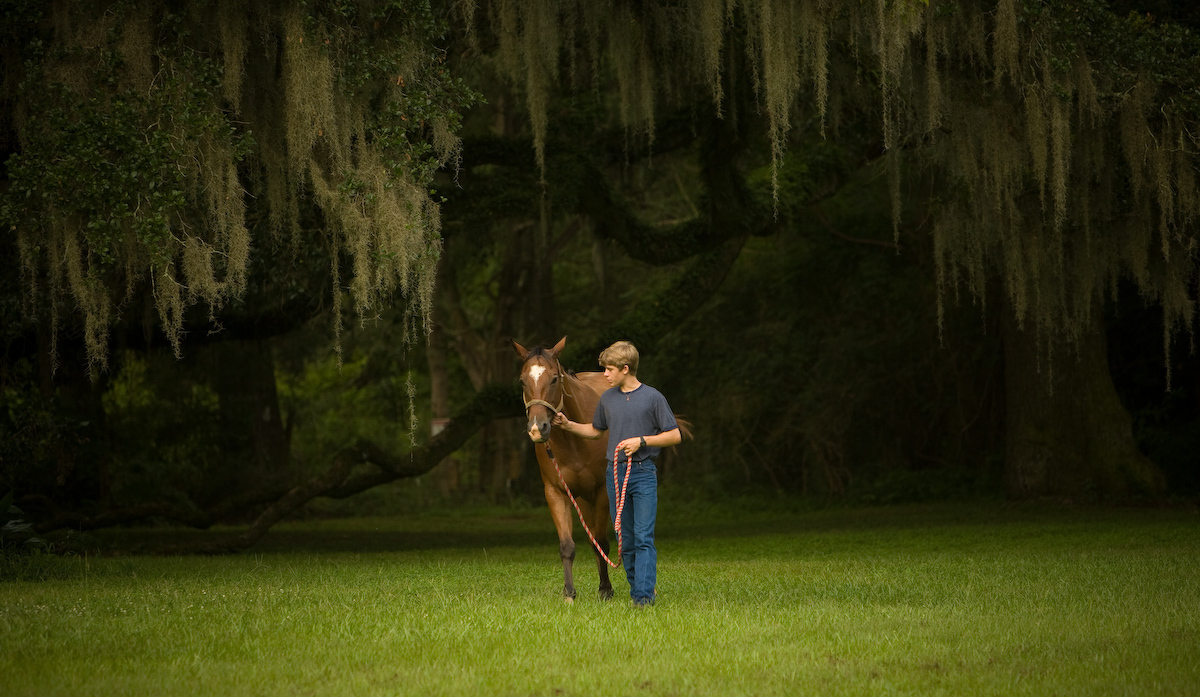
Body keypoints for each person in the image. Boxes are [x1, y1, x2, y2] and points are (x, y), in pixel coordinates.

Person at [552, 340, 681, 606]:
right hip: (615, 474)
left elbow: (674, 435)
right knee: (627, 538)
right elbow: (595, 430)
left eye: (609, 370)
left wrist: (642, 441)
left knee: (644, 536)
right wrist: (568, 426)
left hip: (643, 473)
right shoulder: (607, 398)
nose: (605, 375)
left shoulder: (653, 397)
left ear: (625, 368)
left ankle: (643, 597)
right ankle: (640, 587)